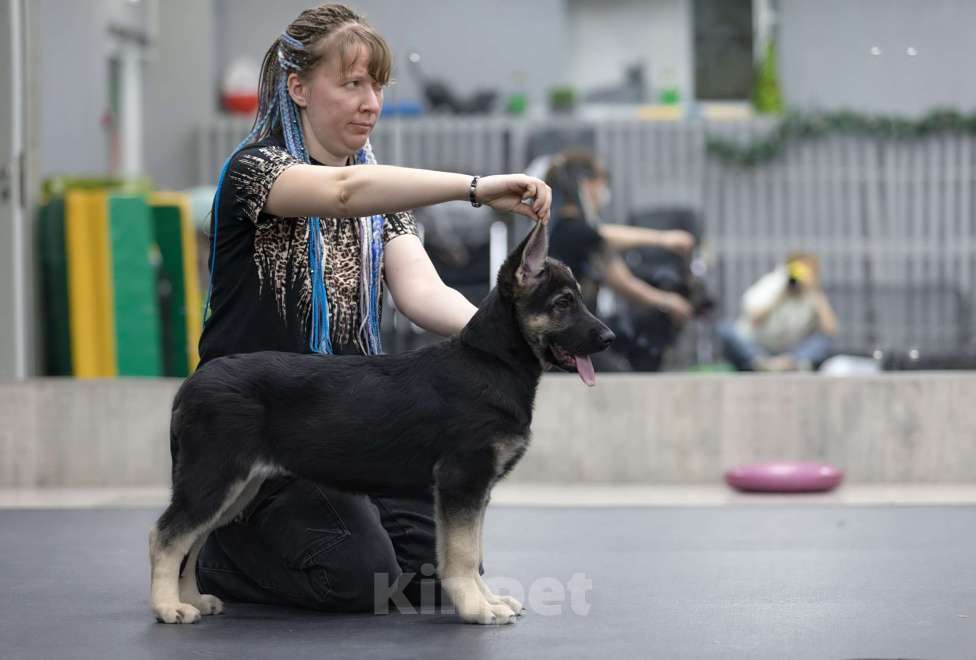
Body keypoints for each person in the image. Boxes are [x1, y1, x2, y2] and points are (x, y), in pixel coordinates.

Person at [192, 4, 551, 614]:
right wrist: (472, 187)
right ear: (298, 88)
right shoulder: (255, 172)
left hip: (355, 426)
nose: (370, 103)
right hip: (266, 426)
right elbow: (340, 193)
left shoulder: (378, 193)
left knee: (437, 581)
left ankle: (320, 529)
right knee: (358, 578)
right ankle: (220, 549)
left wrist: (512, 340)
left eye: (378, 85)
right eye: (352, 83)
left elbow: (423, 294)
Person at [539, 150, 696, 368]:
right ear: (584, 185)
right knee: (618, 373)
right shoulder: (570, 228)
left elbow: (622, 280)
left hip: (583, 330)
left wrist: (666, 301)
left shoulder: (578, 231)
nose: (603, 191)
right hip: (566, 337)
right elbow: (603, 237)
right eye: (600, 183)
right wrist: (664, 239)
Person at [718, 252, 838, 371]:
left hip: (789, 352)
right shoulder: (772, 284)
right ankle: (762, 363)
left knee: (822, 341)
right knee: (726, 329)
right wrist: (781, 293)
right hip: (758, 345)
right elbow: (754, 317)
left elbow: (830, 330)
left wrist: (814, 292)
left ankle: (791, 363)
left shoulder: (812, 295)